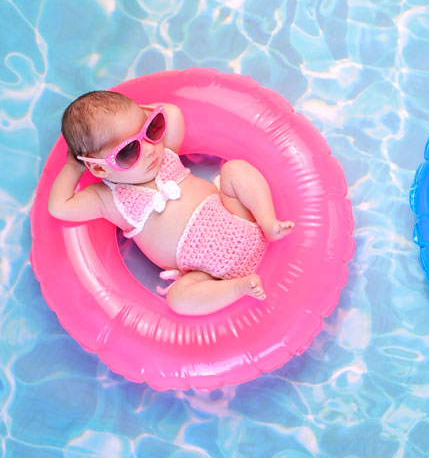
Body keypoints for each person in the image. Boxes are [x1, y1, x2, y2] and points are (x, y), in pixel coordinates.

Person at [48, 91, 294, 316]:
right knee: (178, 298)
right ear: (99, 167)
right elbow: (59, 206)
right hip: (208, 274)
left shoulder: (166, 154)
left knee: (235, 169)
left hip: (239, 217)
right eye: (127, 151)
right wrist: (73, 165)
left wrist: (140, 116)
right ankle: (237, 287)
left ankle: (268, 222)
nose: (148, 150)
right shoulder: (107, 199)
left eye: (150, 131)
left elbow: (173, 113)